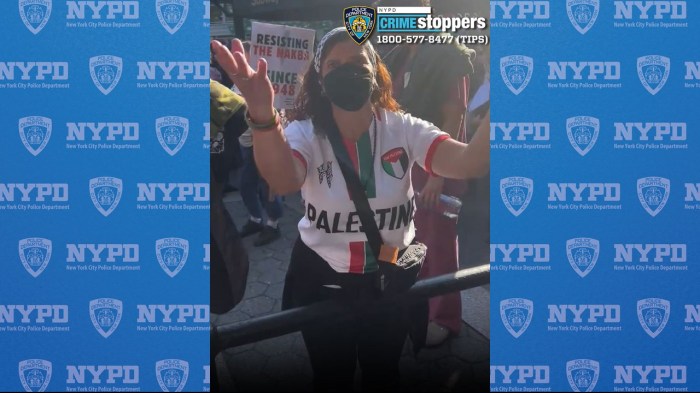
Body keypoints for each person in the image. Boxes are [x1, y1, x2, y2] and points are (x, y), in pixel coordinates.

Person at [211, 27, 488, 391]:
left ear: (376, 70)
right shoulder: (304, 133)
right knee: (332, 377)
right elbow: (283, 180)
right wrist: (263, 116)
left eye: (358, 61)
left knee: (384, 373)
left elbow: (468, 162)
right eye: (334, 63)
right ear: (320, 78)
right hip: (323, 285)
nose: (347, 69)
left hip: (391, 282)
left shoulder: (404, 128)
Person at [380, 0, 474, 347]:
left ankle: (445, 318)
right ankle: (413, 306)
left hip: (434, 167)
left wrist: (437, 176)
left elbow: (455, 115)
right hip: (400, 166)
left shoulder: (447, 52)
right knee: (405, 240)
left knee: (439, 242)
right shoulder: (400, 52)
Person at [235, 41, 284, 246]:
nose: (238, 59)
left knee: (269, 188)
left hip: (264, 145)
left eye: (242, 55)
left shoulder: (266, 81)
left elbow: (279, 111)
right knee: (246, 185)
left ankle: (273, 225)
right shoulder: (235, 81)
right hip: (246, 146)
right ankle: (256, 219)